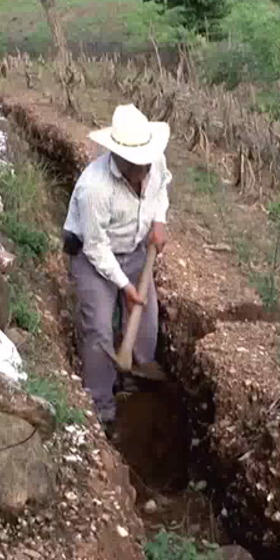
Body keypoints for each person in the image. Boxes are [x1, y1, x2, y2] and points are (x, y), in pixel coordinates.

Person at [62, 104, 172, 440]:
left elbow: (162, 189)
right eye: (136, 165)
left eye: (146, 163)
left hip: (137, 249)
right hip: (94, 257)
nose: (144, 169)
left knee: (146, 322)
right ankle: (101, 409)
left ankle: (133, 380)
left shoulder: (155, 161)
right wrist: (125, 286)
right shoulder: (94, 188)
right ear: (119, 159)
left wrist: (159, 221)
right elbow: (96, 247)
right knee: (97, 329)